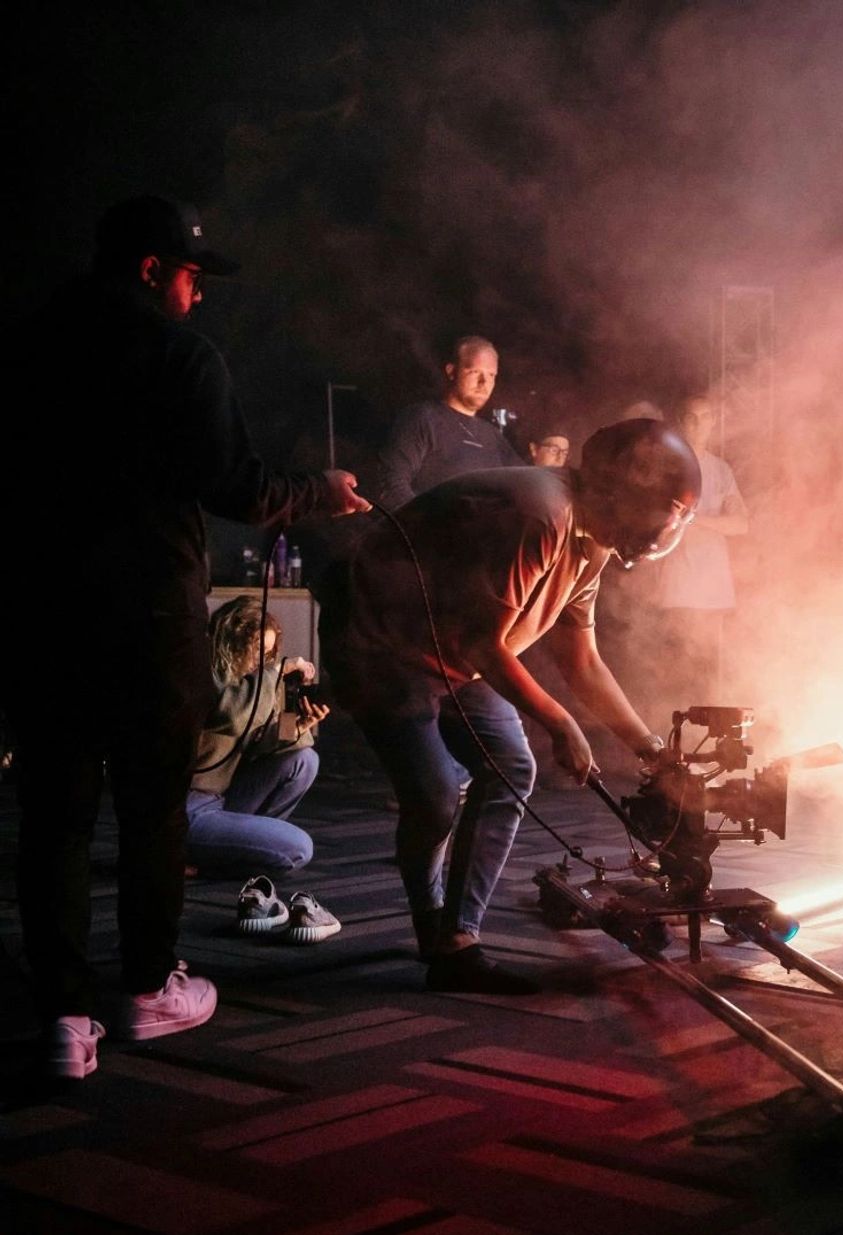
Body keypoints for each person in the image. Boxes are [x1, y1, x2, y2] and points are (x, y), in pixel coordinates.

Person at [0, 194, 371, 1079]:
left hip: (44, 614)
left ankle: (63, 1020)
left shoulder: (28, 346)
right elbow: (237, 486)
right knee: (152, 810)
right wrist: (321, 492)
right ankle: (144, 990)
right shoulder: (180, 355)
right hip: (150, 618)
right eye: (192, 276)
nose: (198, 295)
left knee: (53, 819)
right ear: (150, 269)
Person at [317, 418, 701, 994]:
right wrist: (560, 722)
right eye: (671, 510)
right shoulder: (540, 514)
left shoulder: (591, 542)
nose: (670, 527)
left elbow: (582, 660)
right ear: (626, 487)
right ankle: (433, 925)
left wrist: (650, 749)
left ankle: (456, 941)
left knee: (511, 769)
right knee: (434, 797)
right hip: (383, 645)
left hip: (456, 653)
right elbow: (483, 643)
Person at [187, 596, 328, 877]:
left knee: (305, 760)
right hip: (188, 808)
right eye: (255, 650)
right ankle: (200, 862)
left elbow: (256, 745)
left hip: (222, 798)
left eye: (267, 654)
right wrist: (277, 671)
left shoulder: (255, 684)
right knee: (299, 847)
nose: (260, 662)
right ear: (231, 643)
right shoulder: (205, 673)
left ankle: (230, 849)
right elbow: (234, 715)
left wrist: (298, 728)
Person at [645, 394, 749, 721]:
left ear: (713, 422)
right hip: (676, 589)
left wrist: (693, 519)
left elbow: (741, 524)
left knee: (708, 678)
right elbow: (653, 522)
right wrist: (699, 522)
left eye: (705, 418)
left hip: (714, 591)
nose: (698, 425)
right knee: (673, 675)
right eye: (691, 418)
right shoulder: (665, 467)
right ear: (681, 421)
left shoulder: (721, 469)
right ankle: (667, 737)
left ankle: (700, 742)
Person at [374, 334, 523, 511]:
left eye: (491, 375)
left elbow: (525, 484)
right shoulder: (422, 419)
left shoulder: (493, 437)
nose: (484, 383)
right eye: (475, 372)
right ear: (451, 371)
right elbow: (391, 484)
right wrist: (426, 523)